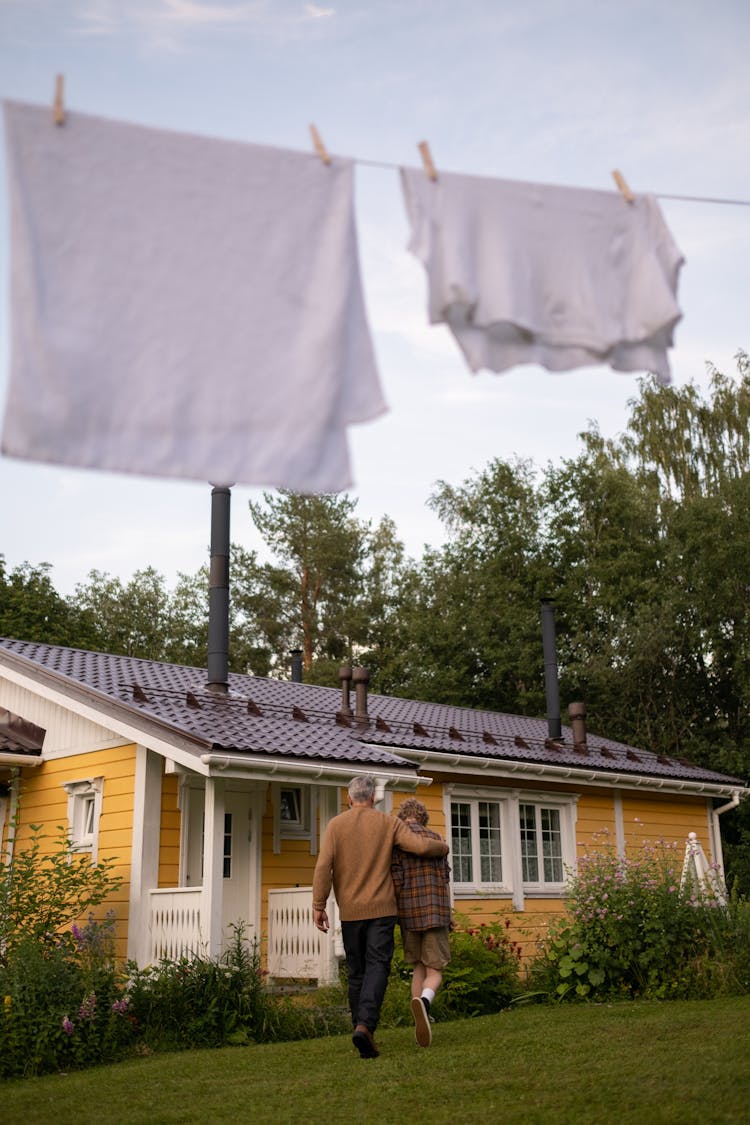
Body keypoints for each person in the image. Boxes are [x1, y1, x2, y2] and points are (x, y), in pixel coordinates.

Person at [312, 775, 449, 1059]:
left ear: (349, 799)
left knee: (357, 971)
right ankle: (365, 1026)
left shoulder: (335, 826)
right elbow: (421, 847)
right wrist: (444, 847)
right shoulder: (389, 823)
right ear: (374, 798)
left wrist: (318, 905)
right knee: (377, 967)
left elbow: (324, 866)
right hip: (383, 911)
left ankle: (361, 1030)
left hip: (350, 913)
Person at [391, 797, 452, 1048]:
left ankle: (420, 1020)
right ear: (424, 817)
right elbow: (445, 878)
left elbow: (395, 881)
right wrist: (450, 914)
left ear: (402, 817)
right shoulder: (437, 841)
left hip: (409, 914)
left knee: (418, 965)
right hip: (436, 911)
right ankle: (425, 1004)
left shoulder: (397, 845)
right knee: (434, 970)